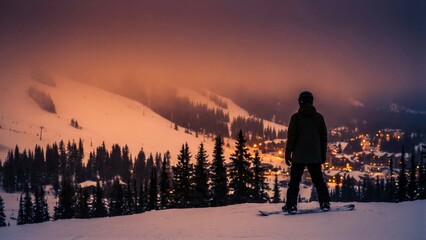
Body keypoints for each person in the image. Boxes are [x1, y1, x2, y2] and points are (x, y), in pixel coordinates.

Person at [283, 91, 330, 214]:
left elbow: (291, 138)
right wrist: (322, 155)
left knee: (294, 182)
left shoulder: (295, 118)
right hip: (314, 156)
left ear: (300, 102)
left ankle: (291, 205)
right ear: (312, 101)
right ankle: (325, 203)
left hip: (298, 156)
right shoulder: (319, 118)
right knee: (319, 181)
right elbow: (323, 138)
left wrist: (288, 154)